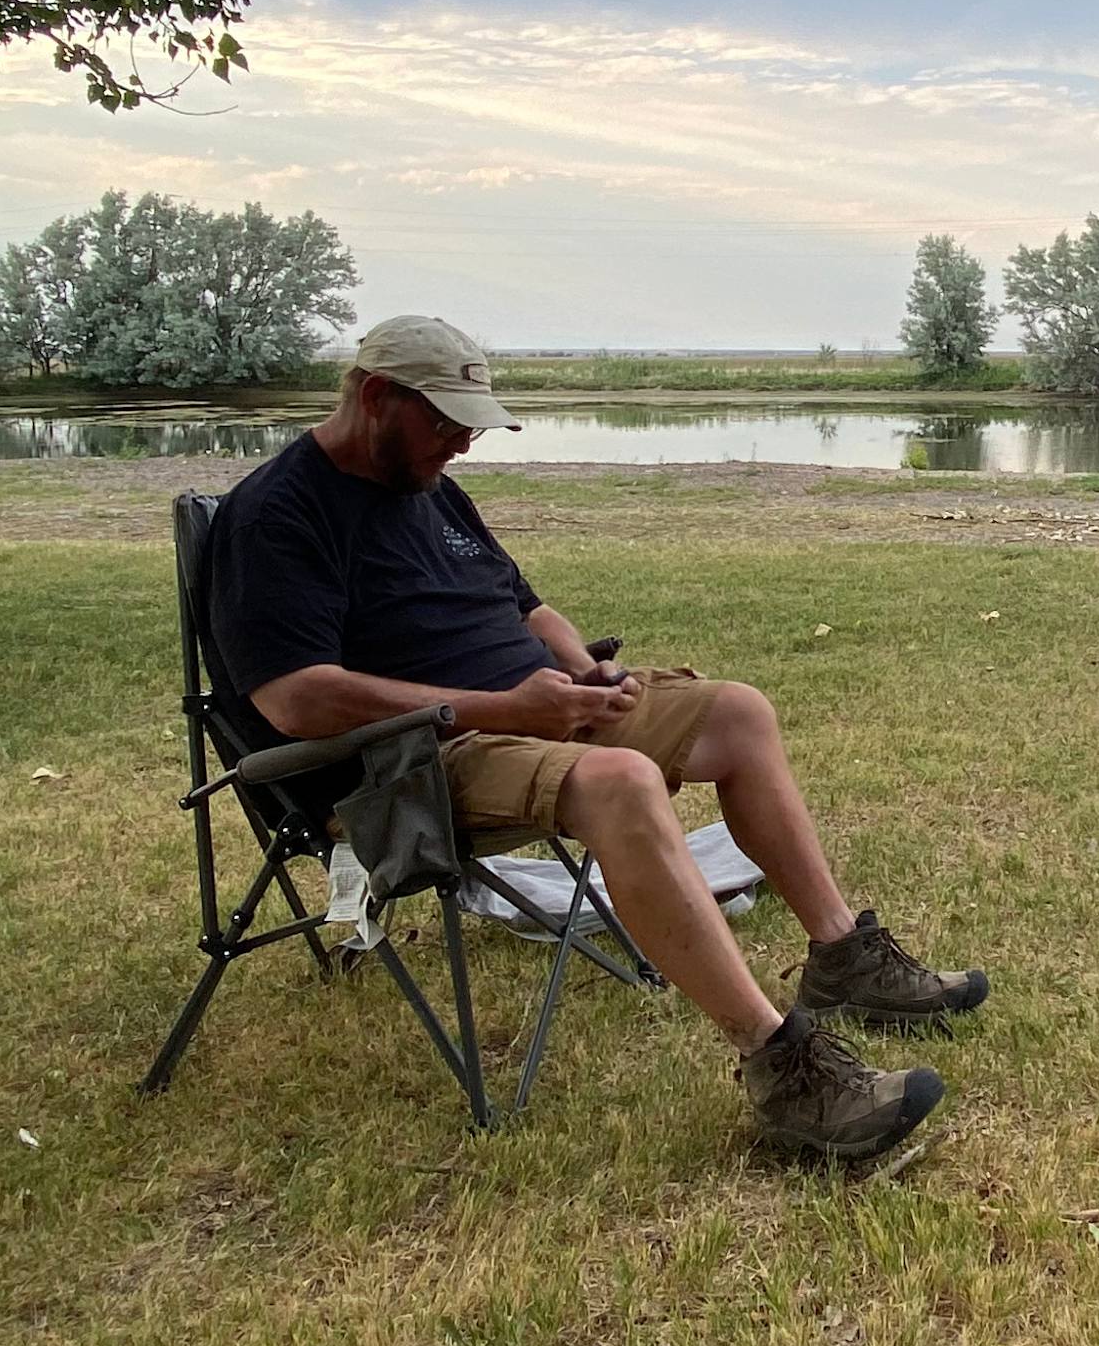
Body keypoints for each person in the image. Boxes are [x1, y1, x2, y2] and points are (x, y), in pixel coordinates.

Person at [207, 314, 985, 1161]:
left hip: (534, 714)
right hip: (407, 762)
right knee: (620, 781)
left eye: (471, 426)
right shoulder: (276, 515)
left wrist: (585, 674)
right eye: (447, 422)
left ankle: (842, 957)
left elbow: (527, 608)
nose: (462, 444)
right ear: (375, 397)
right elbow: (295, 699)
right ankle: (781, 1065)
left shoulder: (428, 485)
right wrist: (505, 710)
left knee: (737, 713)